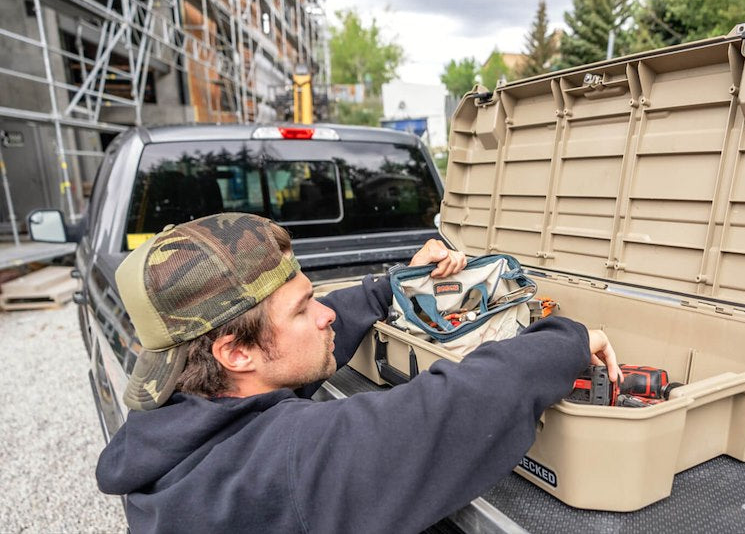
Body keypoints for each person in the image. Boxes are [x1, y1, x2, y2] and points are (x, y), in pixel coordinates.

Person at [95, 212, 620, 533]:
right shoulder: (282, 466)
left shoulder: (176, 421)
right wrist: (567, 340)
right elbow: (447, 412)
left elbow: (303, 344)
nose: (324, 314)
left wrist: (393, 287)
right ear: (235, 353)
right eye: (303, 309)